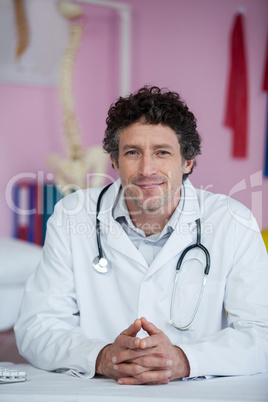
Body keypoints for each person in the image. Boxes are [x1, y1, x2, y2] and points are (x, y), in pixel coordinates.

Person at [15, 86, 268, 385]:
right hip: (101, 392)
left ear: (187, 161)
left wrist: (185, 360)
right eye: (133, 152)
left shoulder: (232, 220)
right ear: (114, 160)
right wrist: (102, 356)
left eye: (162, 152)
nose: (147, 169)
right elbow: (36, 326)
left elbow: (261, 333)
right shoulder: (72, 215)